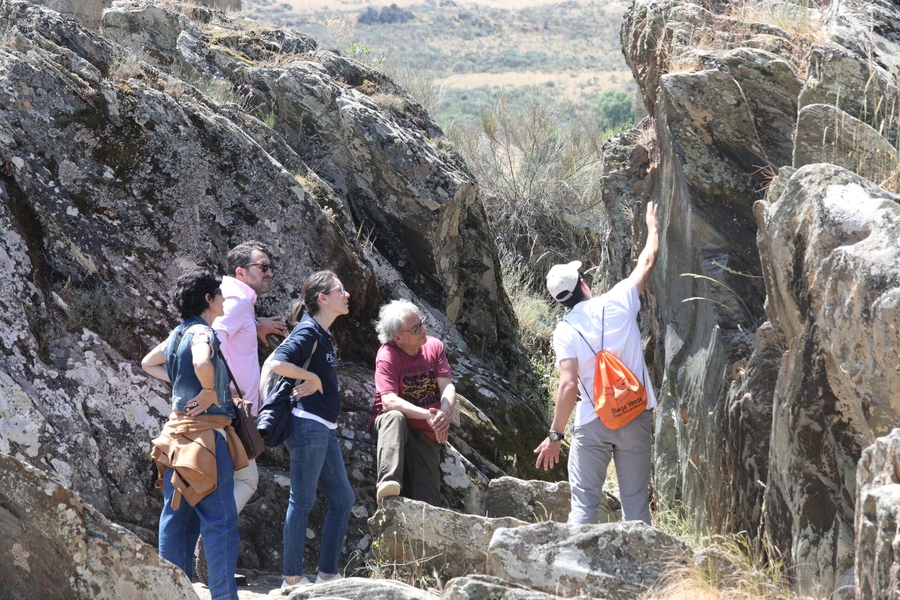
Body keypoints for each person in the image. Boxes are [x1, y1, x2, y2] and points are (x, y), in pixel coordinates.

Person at [534, 201, 659, 525]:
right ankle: (642, 572)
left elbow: (568, 384)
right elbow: (647, 261)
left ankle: (579, 572)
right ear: (583, 283)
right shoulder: (618, 300)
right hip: (635, 414)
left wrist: (555, 435)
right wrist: (652, 227)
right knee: (635, 505)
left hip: (592, 422)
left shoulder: (564, 330)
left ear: (558, 300)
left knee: (584, 506)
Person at [142, 269, 245, 600]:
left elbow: (148, 362)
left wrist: (179, 385)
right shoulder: (204, 332)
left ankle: (172, 594)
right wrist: (207, 390)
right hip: (205, 441)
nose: (224, 299)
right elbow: (202, 359)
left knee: (176, 521)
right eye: (220, 293)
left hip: (175, 439)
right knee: (220, 523)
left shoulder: (176, 334)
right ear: (208, 299)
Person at [268, 271, 354, 589]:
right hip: (307, 424)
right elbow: (278, 361)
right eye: (340, 289)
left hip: (323, 427)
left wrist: (315, 378)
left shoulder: (323, 334)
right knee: (302, 501)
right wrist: (313, 380)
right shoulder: (308, 331)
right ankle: (292, 578)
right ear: (323, 298)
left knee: (343, 499)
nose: (346, 294)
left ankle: (327, 574)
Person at [212, 241, 287, 512]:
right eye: (263, 267)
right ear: (241, 272)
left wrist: (254, 324)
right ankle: (214, 531)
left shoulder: (234, 296)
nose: (269, 273)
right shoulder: (238, 299)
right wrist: (224, 386)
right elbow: (212, 337)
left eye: (270, 267)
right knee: (247, 479)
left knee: (232, 478)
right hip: (230, 407)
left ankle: (210, 534)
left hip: (228, 408)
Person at [369, 300, 456, 505]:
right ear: (397, 337)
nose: (423, 330)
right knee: (394, 417)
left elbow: (448, 386)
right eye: (415, 328)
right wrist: (428, 415)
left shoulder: (434, 346)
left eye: (422, 323)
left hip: (427, 432)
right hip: (393, 426)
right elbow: (389, 401)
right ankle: (388, 484)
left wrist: (444, 412)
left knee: (428, 503)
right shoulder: (387, 355)